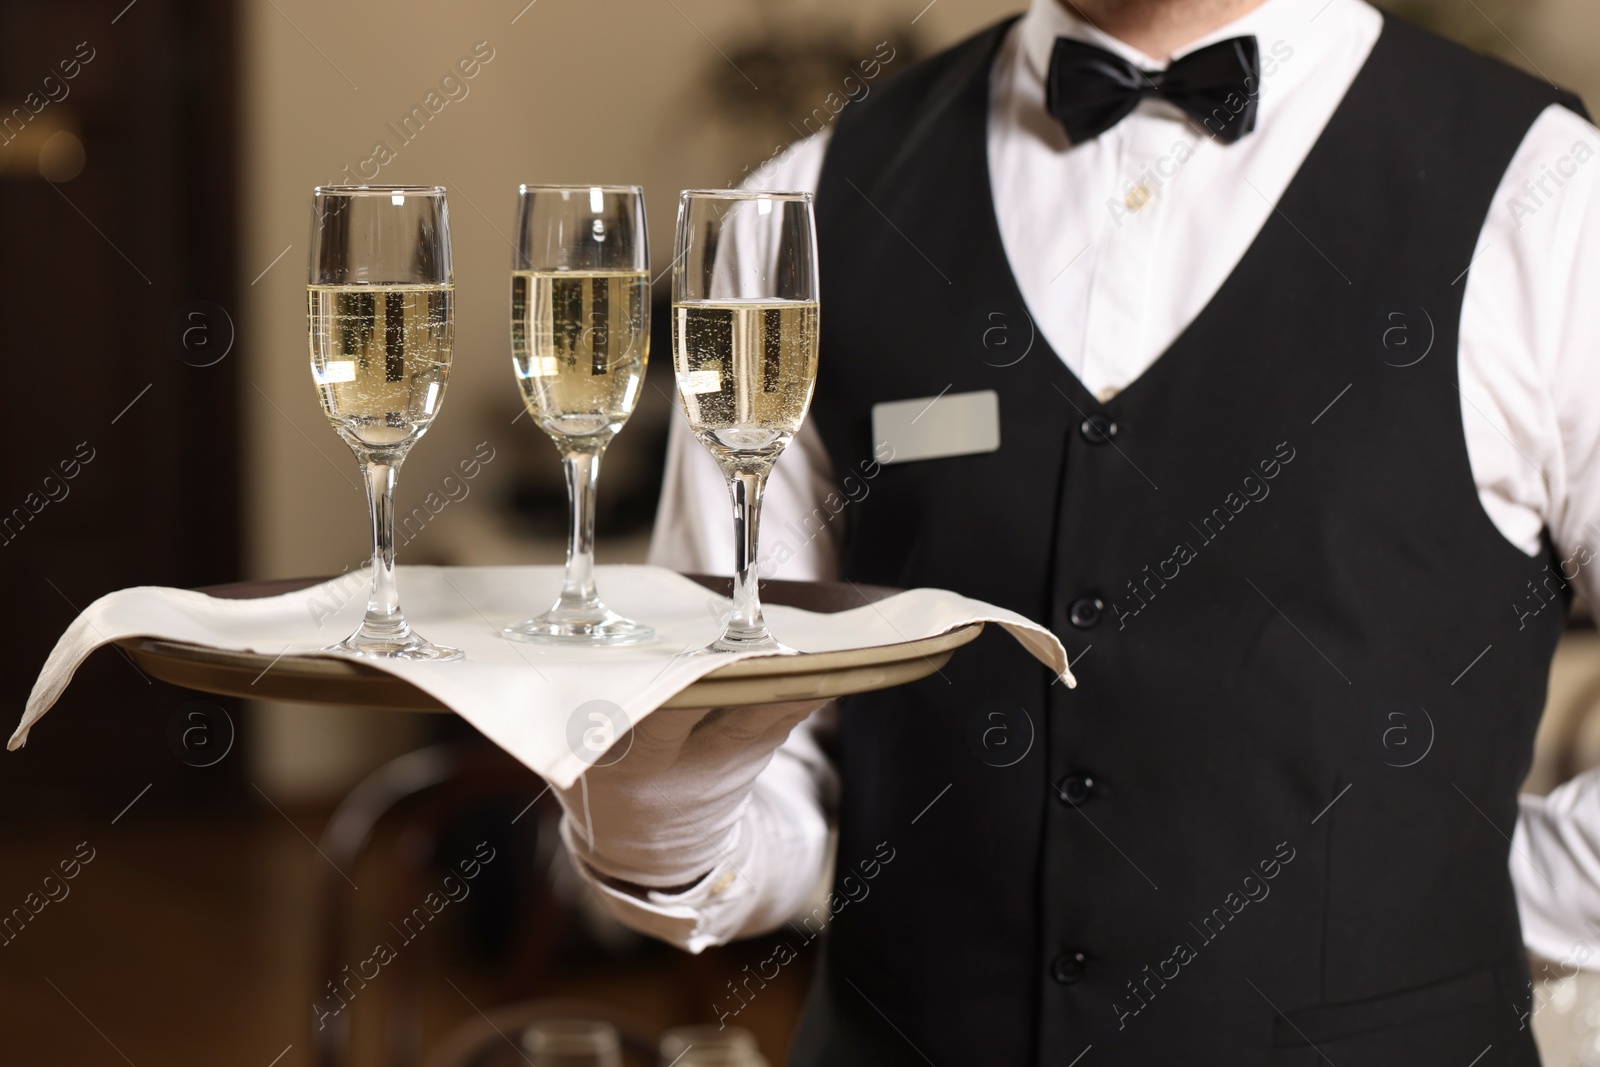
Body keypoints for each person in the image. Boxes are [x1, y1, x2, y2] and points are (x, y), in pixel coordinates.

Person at [555, 0, 1600, 1061]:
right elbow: (730, 734)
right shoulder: (802, 206)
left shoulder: (1553, 205)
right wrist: (647, 814)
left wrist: (1461, 901)